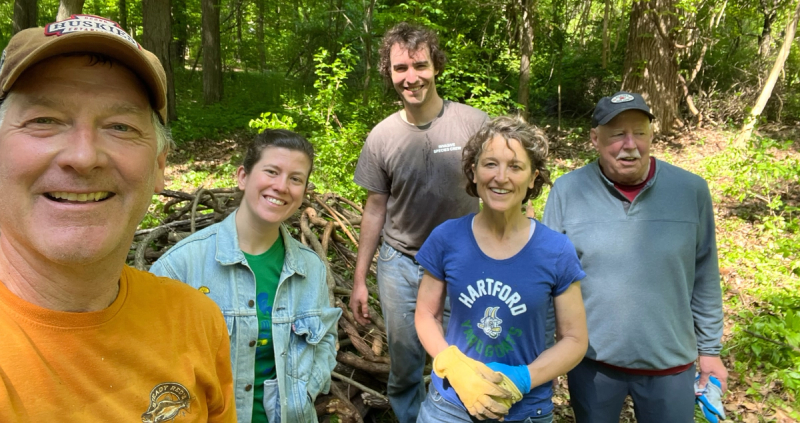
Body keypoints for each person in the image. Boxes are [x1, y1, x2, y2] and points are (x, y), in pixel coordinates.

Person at [0, 14, 235, 421]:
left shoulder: (195, 321)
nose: (84, 156)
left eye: (120, 126)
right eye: (45, 120)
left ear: (160, 165)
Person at [542, 91, 727, 423]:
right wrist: (548, 352)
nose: (630, 144)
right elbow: (548, 279)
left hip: (670, 365)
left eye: (639, 132)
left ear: (651, 136)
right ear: (595, 139)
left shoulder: (691, 191)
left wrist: (710, 350)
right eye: (617, 135)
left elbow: (705, 275)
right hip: (592, 364)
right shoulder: (568, 191)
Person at [348, 22, 490, 422]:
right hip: (402, 264)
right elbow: (375, 208)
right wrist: (360, 279)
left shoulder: (473, 124)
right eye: (400, 68)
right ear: (389, 73)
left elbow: (502, 187)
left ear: (436, 66)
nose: (411, 77)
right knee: (407, 362)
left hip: (463, 262)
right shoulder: (382, 137)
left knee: (460, 356)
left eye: (420, 65)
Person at [151, 129, 341, 423]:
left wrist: (305, 392)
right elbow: (149, 359)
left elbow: (325, 339)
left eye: (296, 179)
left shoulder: (310, 268)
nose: (282, 186)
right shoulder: (181, 266)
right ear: (242, 176)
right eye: (272, 172)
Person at [415, 116, 588, 423]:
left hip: (525, 410)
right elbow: (426, 314)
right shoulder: (446, 238)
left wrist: (523, 378)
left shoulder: (556, 250)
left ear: (533, 177)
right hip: (451, 406)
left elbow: (575, 339)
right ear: (473, 171)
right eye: (490, 164)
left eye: (516, 166)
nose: (501, 177)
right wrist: (451, 363)